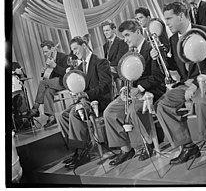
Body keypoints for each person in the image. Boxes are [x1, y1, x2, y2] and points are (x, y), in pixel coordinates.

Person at [151, 1, 206, 165]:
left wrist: (194, 83)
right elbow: (174, 66)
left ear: (181, 16)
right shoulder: (172, 40)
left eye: (169, 18)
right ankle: (188, 146)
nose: (167, 23)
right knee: (162, 105)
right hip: (186, 83)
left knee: (201, 100)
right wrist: (159, 57)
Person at [104, 19, 166, 166]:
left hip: (150, 91)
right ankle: (126, 149)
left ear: (138, 32)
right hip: (133, 92)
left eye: (127, 35)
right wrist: (125, 89)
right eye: (123, 36)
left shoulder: (153, 48)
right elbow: (127, 76)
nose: (125, 40)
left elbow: (158, 77)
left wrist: (139, 89)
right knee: (109, 112)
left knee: (132, 110)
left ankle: (144, 145)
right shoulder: (130, 52)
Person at [57, 36, 113, 169]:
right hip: (85, 100)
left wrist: (86, 94)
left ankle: (82, 152)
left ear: (84, 45)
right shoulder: (81, 66)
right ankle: (77, 150)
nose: (74, 52)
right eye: (72, 50)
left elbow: (105, 85)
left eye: (76, 48)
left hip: (99, 101)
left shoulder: (100, 61)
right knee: (62, 116)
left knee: (74, 114)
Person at [26, 40, 68, 128]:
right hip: (55, 83)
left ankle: (35, 108)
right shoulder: (50, 59)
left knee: (42, 83)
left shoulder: (64, 57)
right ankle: (51, 117)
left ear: (52, 49)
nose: (45, 54)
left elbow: (67, 73)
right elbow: (48, 76)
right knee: (48, 91)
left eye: (46, 51)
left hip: (63, 81)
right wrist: (44, 72)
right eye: (44, 52)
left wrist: (55, 66)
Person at [101, 20, 128, 94]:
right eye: (104, 31)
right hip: (109, 70)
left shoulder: (121, 42)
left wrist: (106, 65)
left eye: (107, 30)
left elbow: (120, 60)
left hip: (118, 70)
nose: (105, 33)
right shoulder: (105, 46)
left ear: (113, 30)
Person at [12, 62, 29, 129]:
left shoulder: (15, 64)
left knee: (21, 95)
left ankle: (25, 119)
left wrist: (21, 73)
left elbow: (24, 77)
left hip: (17, 90)